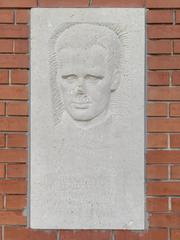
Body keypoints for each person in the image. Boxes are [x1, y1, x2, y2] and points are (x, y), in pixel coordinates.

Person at [49, 23, 122, 128]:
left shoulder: (129, 134)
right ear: (57, 78)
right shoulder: (51, 135)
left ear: (115, 80)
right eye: (70, 77)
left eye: (92, 78)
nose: (80, 89)